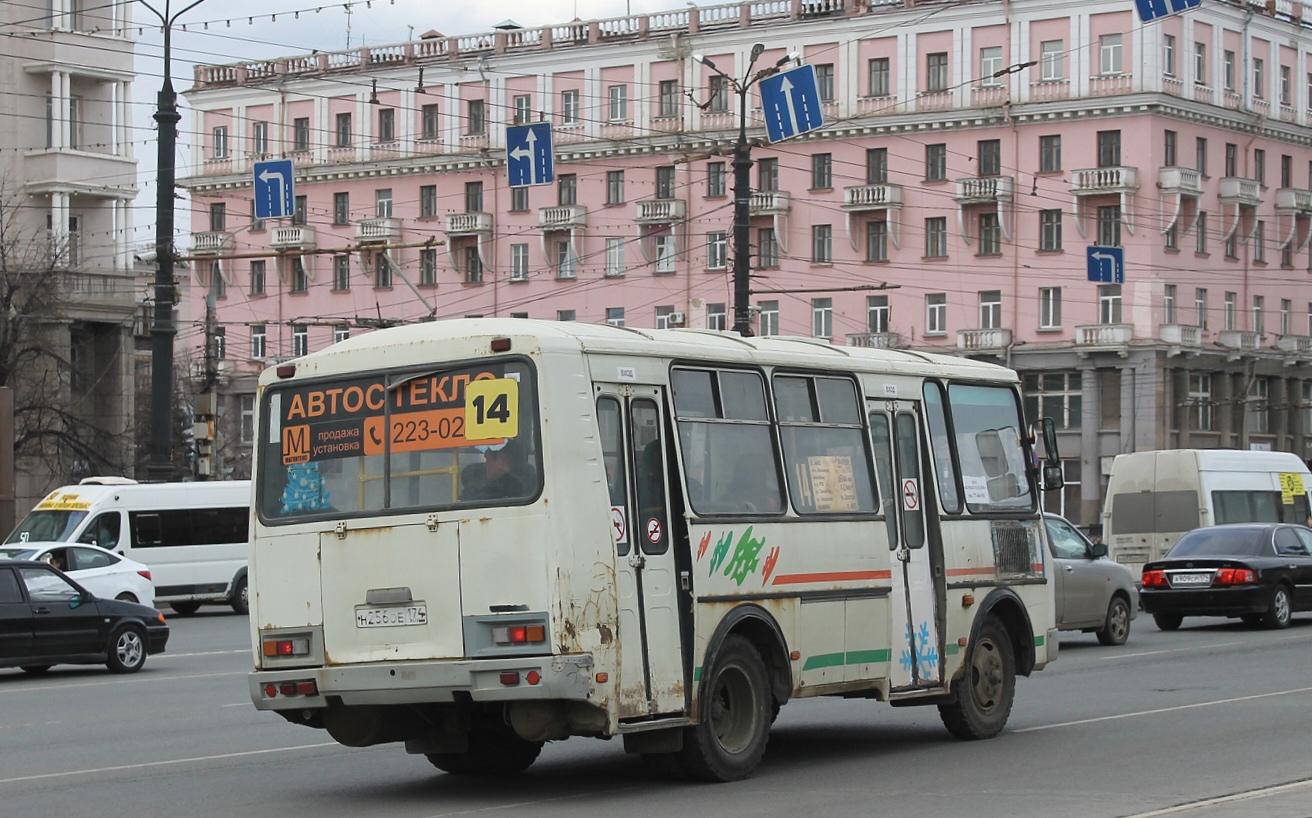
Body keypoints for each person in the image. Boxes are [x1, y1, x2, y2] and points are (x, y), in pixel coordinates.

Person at [461, 439, 528, 501]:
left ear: (500, 463)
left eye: (488, 460)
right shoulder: (476, 482)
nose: (484, 465)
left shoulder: (511, 488)